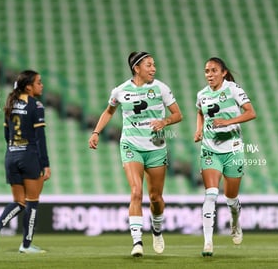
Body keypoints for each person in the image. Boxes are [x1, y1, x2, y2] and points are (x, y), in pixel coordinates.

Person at [88, 51, 182, 257]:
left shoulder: (161, 88)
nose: (153, 69)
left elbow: (178, 114)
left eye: (154, 65)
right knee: (136, 192)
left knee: (156, 198)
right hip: (131, 146)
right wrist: (96, 132)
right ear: (136, 68)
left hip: (156, 147)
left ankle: (157, 230)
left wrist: (164, 122)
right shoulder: (120, 91)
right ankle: (137, 241)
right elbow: (109, 111)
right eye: (149, 65)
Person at [194, 57, 256, 257]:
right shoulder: (202, 94)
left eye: (213, 71)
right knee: (211, 194)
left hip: (233, 149)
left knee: (231, 198)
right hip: (210, 150)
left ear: (223, 72)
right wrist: (199, 130)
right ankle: (208, 243)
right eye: (206, 71)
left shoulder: (233, 89)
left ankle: (235, 222)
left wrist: (229, 122)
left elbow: (250, 113)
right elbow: (200, 112)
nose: (209, 75)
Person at [0, 70, 51, 253]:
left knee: (19, 202)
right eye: (39, 82)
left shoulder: (10, 104)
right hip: (29, 156)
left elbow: (7, 135)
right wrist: (45, 163)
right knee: (32, 202)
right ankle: (26, 245)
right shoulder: (35, 106)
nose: (42, 85)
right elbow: (40, 138)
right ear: (29, 87)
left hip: (11, 156)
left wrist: (15, 149)